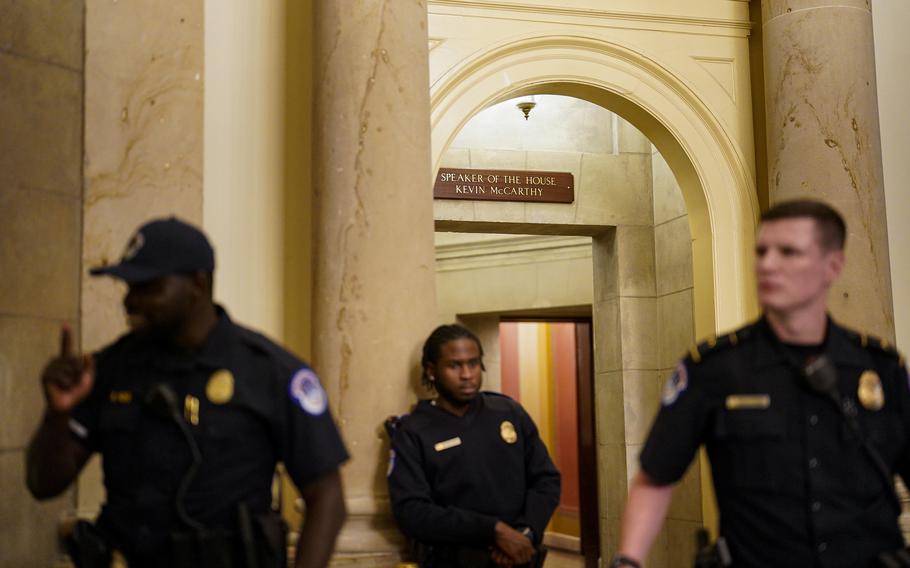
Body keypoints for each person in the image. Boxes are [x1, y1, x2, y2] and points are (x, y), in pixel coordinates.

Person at [26, 217, 349, 568]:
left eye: (148, 286)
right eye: (129, 287)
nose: (130, 300)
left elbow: (327, 497)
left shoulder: (270, 372)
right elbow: (44, 483)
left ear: (197, 283)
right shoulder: (111, 369)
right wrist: (57, 413)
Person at [611, 199, 910, 568]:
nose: (767, 265)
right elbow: (656, 478)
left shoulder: (879, 368)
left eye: (788, 252)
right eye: (761, 252)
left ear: (832, 266)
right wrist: (628, 562)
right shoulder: (715, 369)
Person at [386, 324, 561, 567]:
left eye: (473, 363)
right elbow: (411, 511)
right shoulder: (413, 431)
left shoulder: (509, 412)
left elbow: (546, 479)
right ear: (431, 370)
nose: (467, 374)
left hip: (518, 558)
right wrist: (493, 531)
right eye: (454, 365)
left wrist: (525, 532)